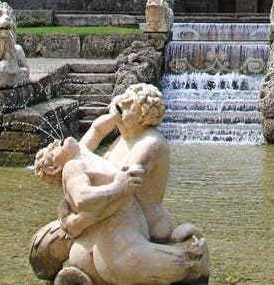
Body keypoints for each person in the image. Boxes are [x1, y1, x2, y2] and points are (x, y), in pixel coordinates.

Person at [31, 83, 209, 285]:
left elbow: (122, 193)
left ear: (142, 118)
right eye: (123, 97)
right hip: (113, 218)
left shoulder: (150, 143)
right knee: (45, 245)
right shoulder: (122, 139)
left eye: (130, 104)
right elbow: (92, 138)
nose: (121, 103)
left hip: (146, 226)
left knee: (105, 258)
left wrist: (78, 222)